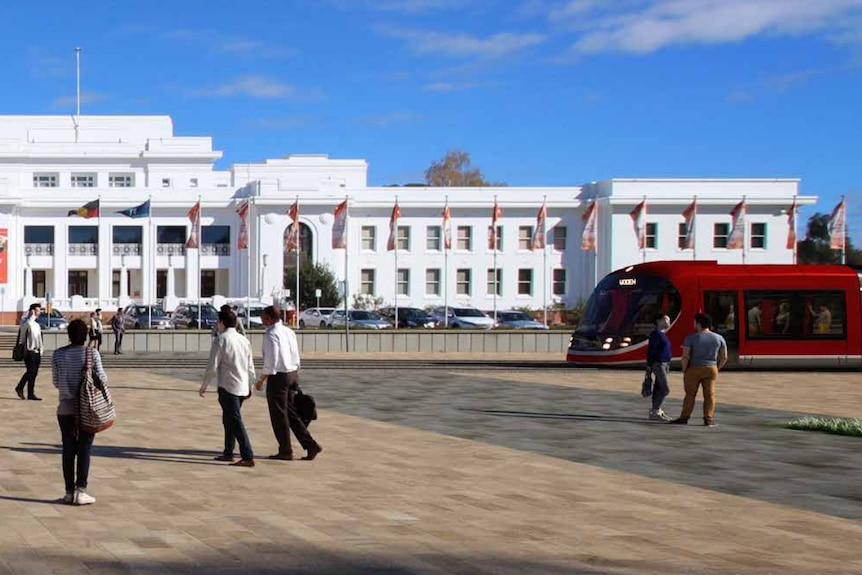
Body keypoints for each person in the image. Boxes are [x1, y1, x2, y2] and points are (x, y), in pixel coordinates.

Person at [255, 305, 322, 461]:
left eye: (263, 316)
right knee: (291, 414)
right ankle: (310, 444)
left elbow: (271, 360)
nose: (261, 319)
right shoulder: (288, 331)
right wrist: (295, 374)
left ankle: (285, 449)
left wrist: (262, 379)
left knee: (279, 415)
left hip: (278, 377)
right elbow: (295, 355)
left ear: (269, 318)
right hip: (292, 374)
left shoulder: (271, 334)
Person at [52, 319, 106, 505]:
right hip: (87, 409)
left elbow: (56, 382)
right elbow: (103, 380)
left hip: (65, 408)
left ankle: (68, 492)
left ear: (69, 335)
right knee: (84, 449)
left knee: (68, 450)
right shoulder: (93, 354)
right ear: (86, 336)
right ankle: (81, 490)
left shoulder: (58, 354)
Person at [200, 310, 256, 468]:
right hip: (242, 386)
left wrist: (204, 385)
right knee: (229, 419)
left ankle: (247, 455)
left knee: (234, 420)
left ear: (222, 322)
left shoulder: (221, 340)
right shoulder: (244, 340)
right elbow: (250, 366)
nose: (217, 325)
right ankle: (228, 451)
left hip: (228, 385)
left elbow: (212, 366)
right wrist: (250, 385)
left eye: (218, 322)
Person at [670, 313, 728, 427]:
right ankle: (708, 419)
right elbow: (724, 356)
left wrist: (684, 369)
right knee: (710, 395)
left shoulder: (691, 338)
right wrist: (717, 367)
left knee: (690, 395)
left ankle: (684, 417)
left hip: (694, 369)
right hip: (711, 368)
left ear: (699, 323)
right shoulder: (719, 338)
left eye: (694, 322)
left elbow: (685, 356)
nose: (693, 324)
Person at [646, 315, 672, 421]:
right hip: (658, 364)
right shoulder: (655, 334)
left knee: (659, 388)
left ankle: (656, 411)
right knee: (665, 389)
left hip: (665, 364)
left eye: (669, 320)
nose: (668, 321)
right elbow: (651, 350)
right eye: (665, 319)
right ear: (658, 321)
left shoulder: (663, 334)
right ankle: (655, 410)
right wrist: (649, 365)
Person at [16, 303, 44, 401]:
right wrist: (31, 315)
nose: (39, 313)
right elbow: (24, 333)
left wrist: (41, 350)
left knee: (34, 373)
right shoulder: (26, 323)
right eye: (37, 310)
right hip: (29, 351)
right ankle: (19, 387)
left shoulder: (37, 325)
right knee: (31, 371)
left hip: (37, 352)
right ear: (32, 311)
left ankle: (30, 394)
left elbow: (39, 339)